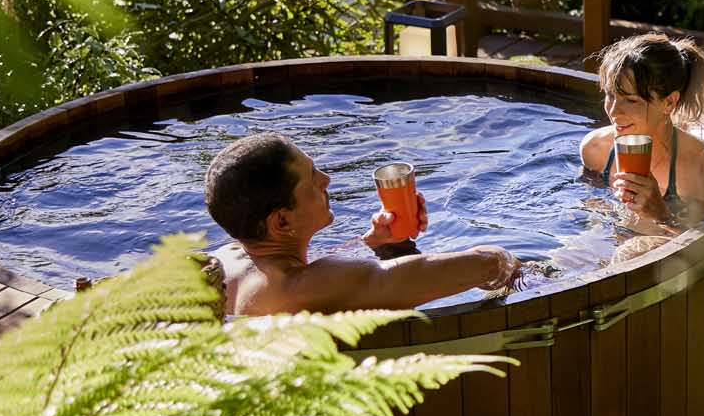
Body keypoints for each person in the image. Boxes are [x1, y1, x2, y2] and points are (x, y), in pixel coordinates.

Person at [202, 132, 517, 316]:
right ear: (282, 220)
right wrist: (510, 263)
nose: (327, 179)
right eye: (312, 179)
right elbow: (481, 266)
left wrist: (390, 245)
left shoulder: (224, 260)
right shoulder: (304, 288)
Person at [579, 32, 704, 228]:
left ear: (669, 102)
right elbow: (589, 219)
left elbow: (703, 248)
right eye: (610, 95)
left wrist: (662, 215)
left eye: (631, 101)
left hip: (656, 250)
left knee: (632, 249)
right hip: (606, 243)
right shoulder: (595, 149)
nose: (614, 112)